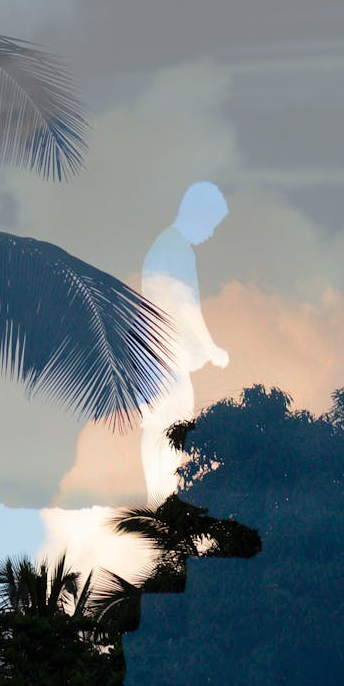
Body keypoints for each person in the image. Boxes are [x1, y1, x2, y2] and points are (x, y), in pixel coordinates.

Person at [140, 182, 229, 502]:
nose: (210, 233)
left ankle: (158, 496)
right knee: (174, 422)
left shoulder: (161, 244)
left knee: (157, 424)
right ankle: (163, 496)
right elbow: (186, 303)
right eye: (210, 224)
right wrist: (210, 347)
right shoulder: (176, 247)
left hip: (151, 351)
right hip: (166, 351)